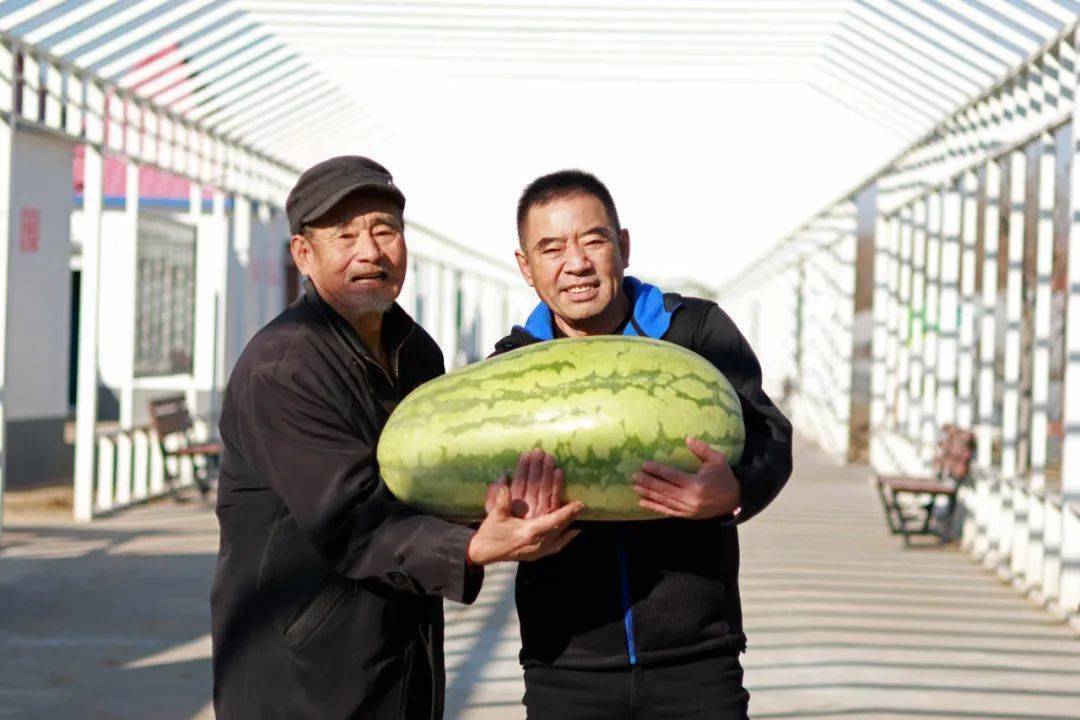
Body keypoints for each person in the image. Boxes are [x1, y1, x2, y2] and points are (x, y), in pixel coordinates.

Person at [210, 156, 583, 720]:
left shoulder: (416, 351)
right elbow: (350, 517)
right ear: (303, 255)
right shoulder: (284, 368)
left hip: (397, 652)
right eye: (346, 235)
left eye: (385, 230)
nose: (371, 251)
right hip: (304, 675)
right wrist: (473, 547)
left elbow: (431, 479)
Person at [493, 169, 793, 719]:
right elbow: (480, 501)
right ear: (526, 267)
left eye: (593, 240)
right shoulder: (507, 368)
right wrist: (505, 529)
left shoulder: (696, 332)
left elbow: (770, 434)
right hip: (565, 666)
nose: (576, 263)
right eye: (551, 248)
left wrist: (736, 490)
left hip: (699, 662)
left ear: (623, 247)